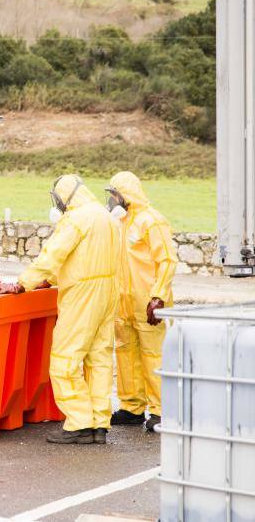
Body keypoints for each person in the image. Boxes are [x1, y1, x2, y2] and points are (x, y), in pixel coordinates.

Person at [0, 174, 118, 445]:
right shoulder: (105, 217)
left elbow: (53, 255)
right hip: (108, 292)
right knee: (99, 359)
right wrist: (52, 279)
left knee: (65, 358)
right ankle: (98, 423)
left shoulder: (76, 219)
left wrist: (23, 283)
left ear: (64, 196)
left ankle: (79, 423)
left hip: (82, 295)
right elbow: (86, 258)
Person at [106, 171, 177, 433]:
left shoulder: (152, 221)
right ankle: (131, 407)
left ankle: (161, 410)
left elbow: (167, 261)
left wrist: (158, 296)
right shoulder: (121, 223)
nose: (112, 200)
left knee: (153, 356)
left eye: (114, 194)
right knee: (126, 354)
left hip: (148, 304)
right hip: (123, 304)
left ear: (126, 195)